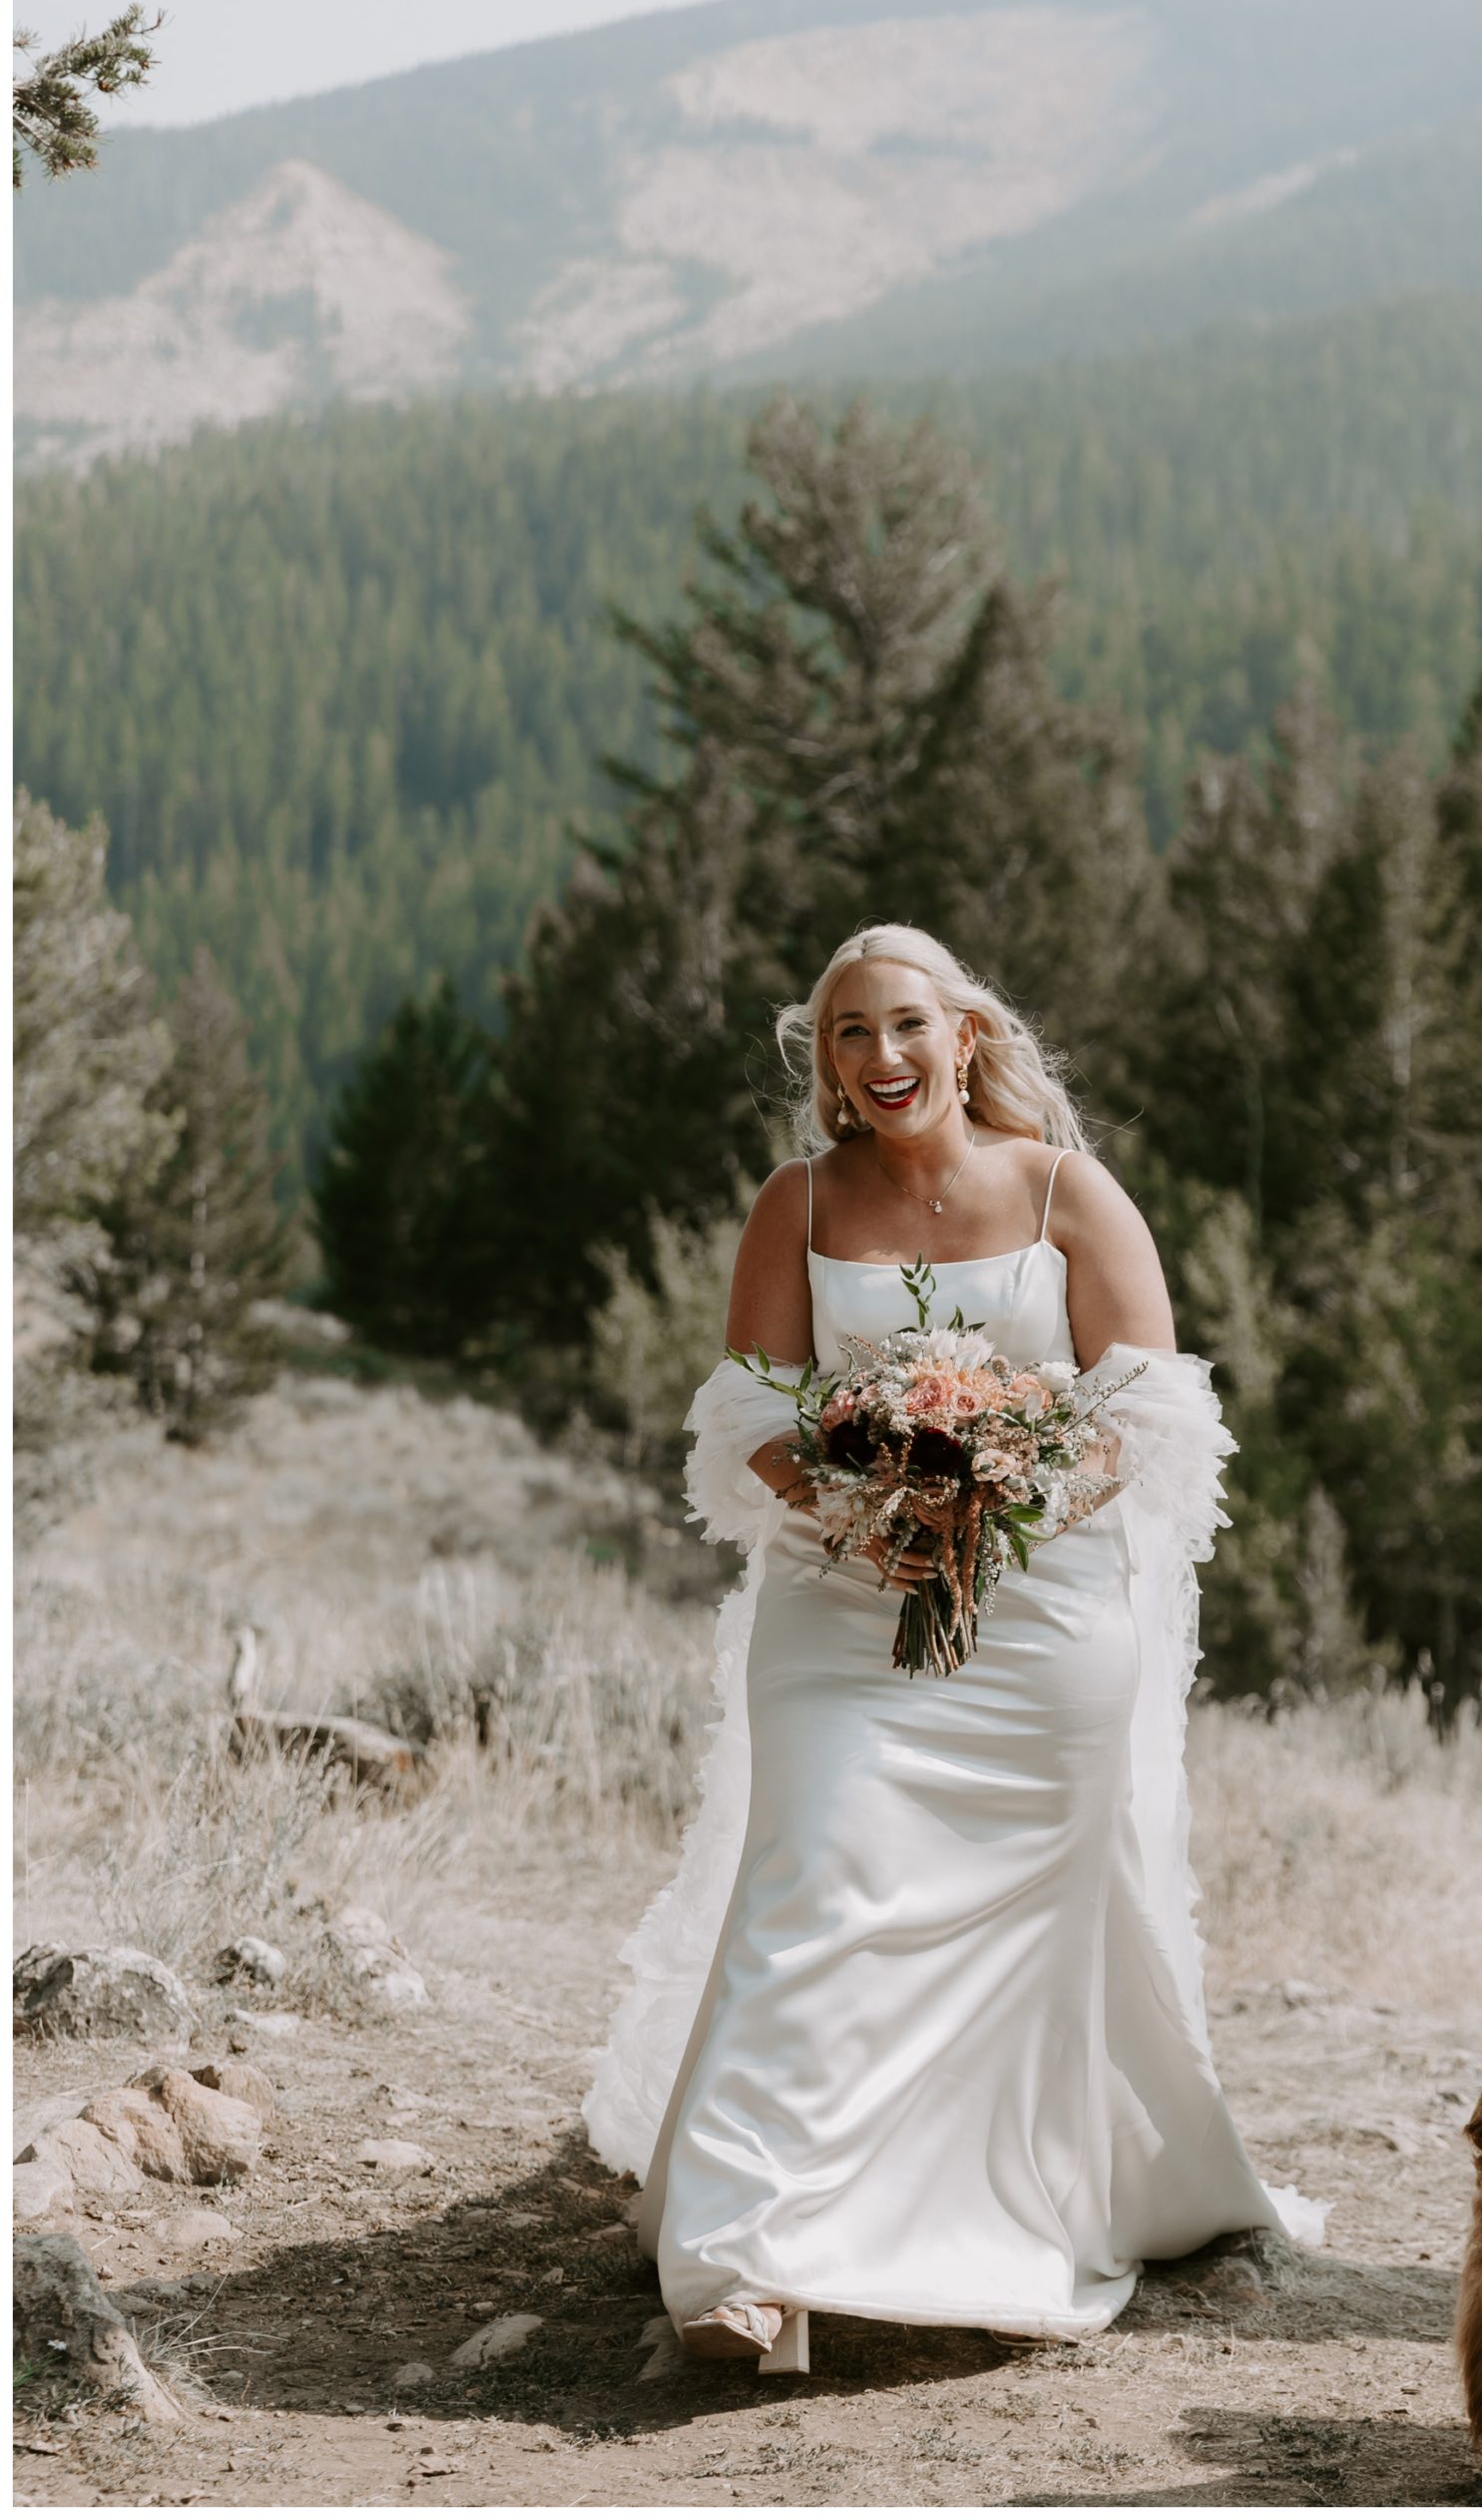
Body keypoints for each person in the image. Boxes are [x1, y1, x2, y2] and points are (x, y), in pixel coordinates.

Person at [585, 922, 1322, 2371]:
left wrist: (1004, 1487)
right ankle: (744, 2260)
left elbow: (1153, 1410)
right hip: (840, 1595)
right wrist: (869, 1506)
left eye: (907, 1027)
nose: (882, 1060)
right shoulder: (795, 1202)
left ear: (966, 1037)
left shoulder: (1065, 1191)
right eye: (851, 1035)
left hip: (1042, 1615)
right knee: (816, 1866)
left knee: (1018, 1911)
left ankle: (990, 2201)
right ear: (828, 1062)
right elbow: (747, 1415)